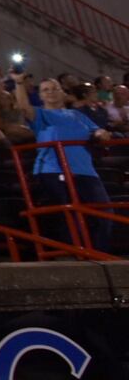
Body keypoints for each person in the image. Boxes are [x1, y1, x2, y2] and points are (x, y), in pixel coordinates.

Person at [14, 76, 115, 253]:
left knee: (104, 213)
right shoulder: (41, 114)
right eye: (46, 90)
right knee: (70, 215)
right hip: (54, 170)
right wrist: (19, 83)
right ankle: (76, 255)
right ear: (41, 96)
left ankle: (99, 254)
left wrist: (101, 133)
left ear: (63, 92)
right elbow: (24, 107)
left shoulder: (77, 115)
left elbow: (96, 130)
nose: (51, 92)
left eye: (54, 88)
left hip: (86, 171)